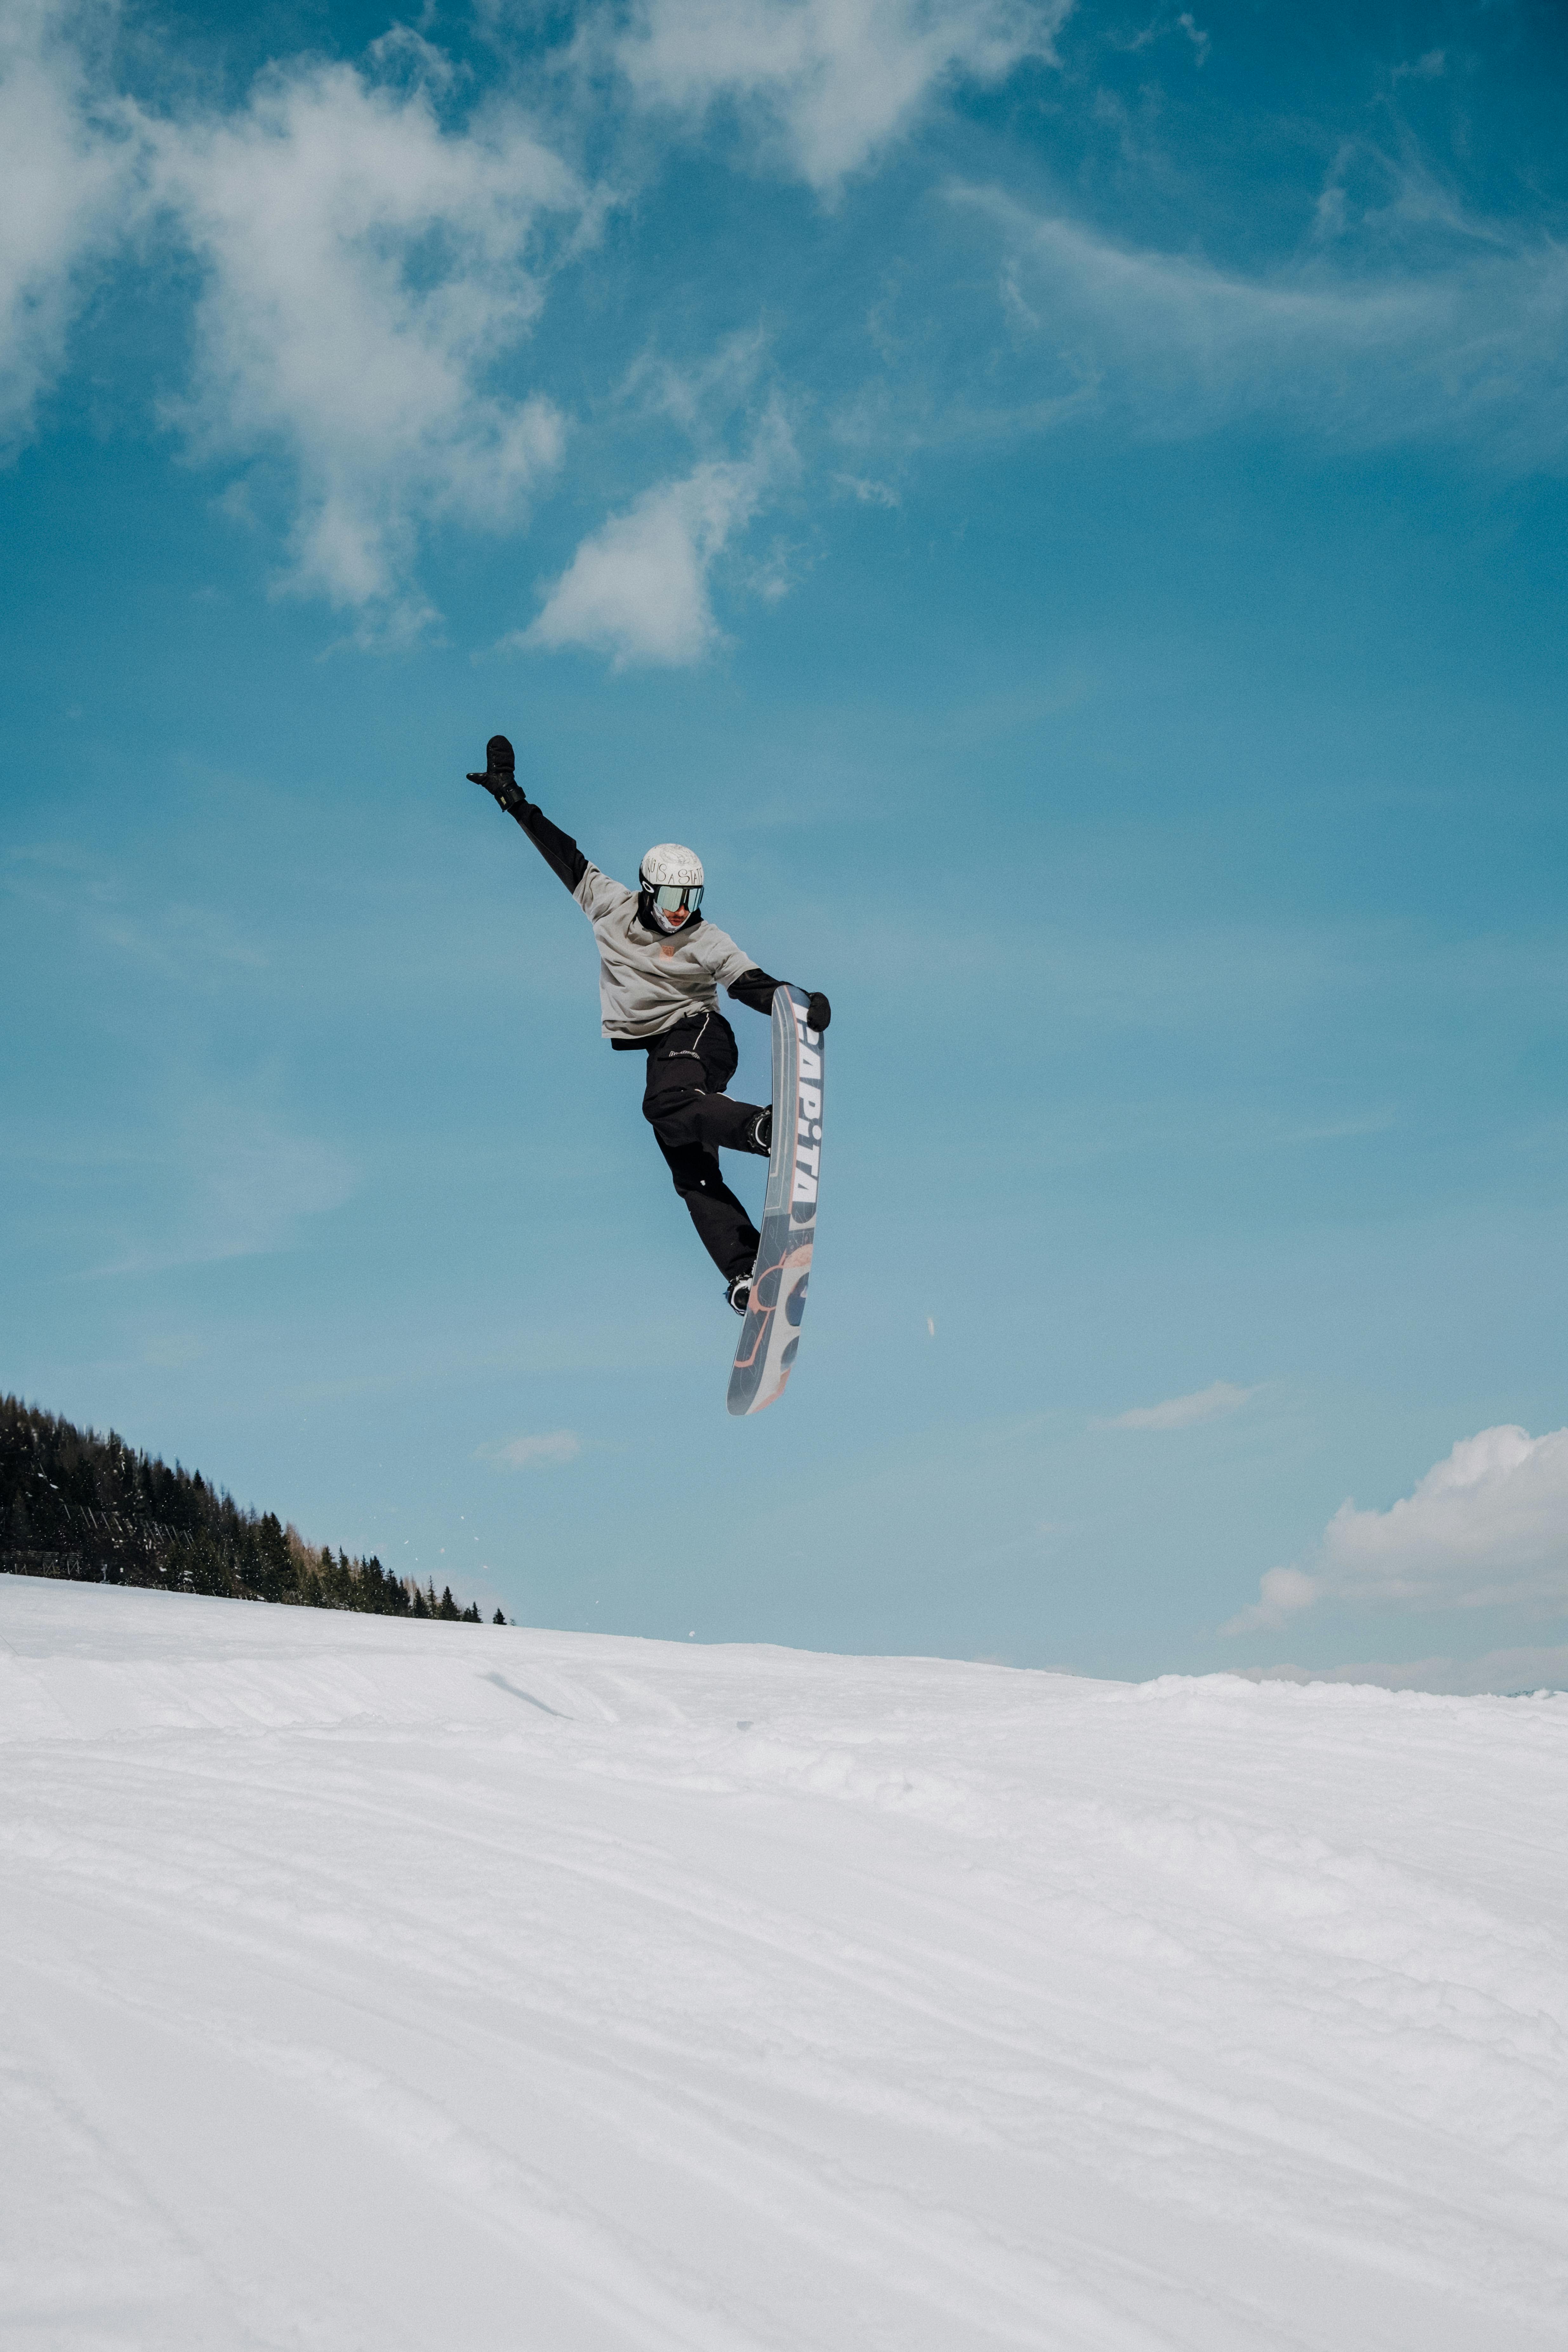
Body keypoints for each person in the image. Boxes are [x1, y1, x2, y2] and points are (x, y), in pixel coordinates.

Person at [465, 734, 831, 1315]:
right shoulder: (608, 904)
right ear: (647, 888)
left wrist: (798, 1002)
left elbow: (748, 981)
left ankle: (763, 1129)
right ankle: (748, 1270)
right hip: (662, 1049)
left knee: (664, 1104)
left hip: (700, 1034)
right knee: (689, 1170)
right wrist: (513, 799)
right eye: (672, 895)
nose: (681, 907)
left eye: (691, 896)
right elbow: (563, 853)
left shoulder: (703, 937)